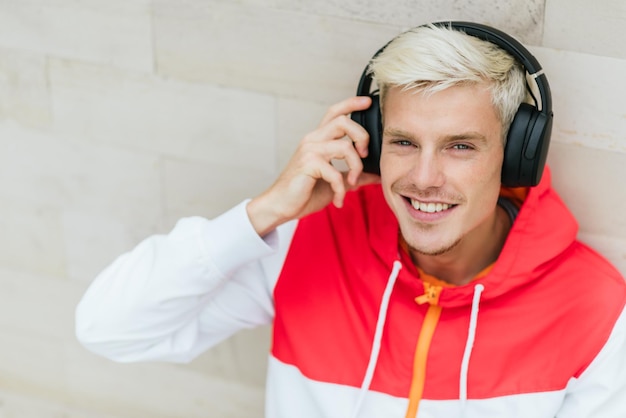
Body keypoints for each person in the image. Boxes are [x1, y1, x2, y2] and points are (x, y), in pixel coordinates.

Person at [75, 22, 626, 417]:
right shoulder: (309, 242)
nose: (424, 177)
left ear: (513, 157)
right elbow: (109, 329)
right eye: (404, 142)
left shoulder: (595, 310)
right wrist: (266, 211)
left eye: (460, 146)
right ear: (371, 147)